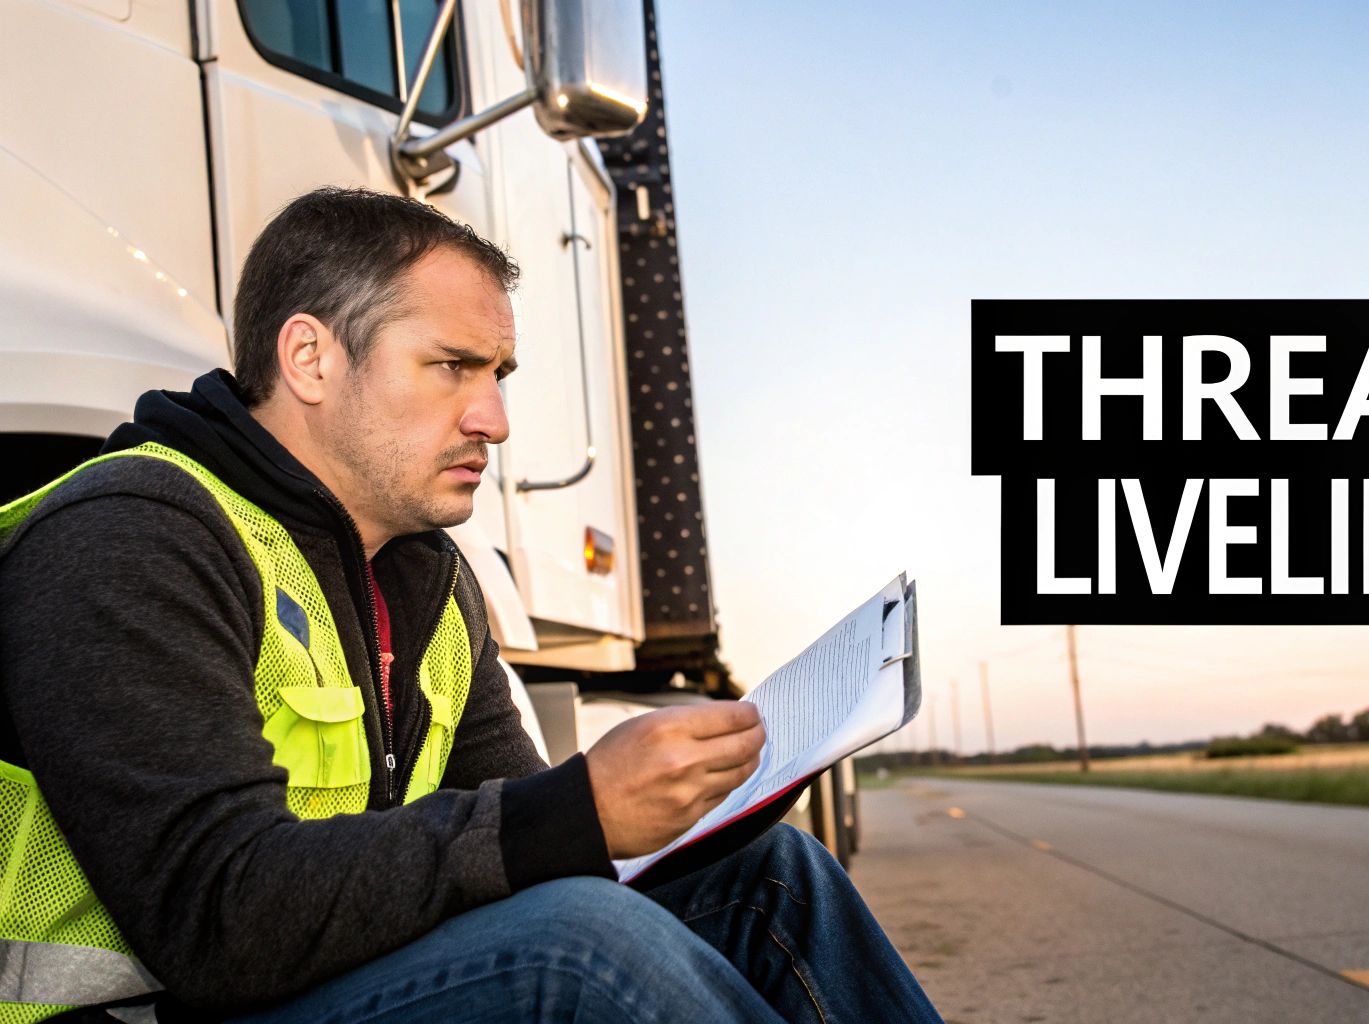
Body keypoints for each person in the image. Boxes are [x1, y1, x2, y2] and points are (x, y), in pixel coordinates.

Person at [0, 187, 942, 1023]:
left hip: (306, 974)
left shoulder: (430, 579)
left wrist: (701, 801)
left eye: (499, 376)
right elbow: (217, 919)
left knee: (775, 877)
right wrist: (573, 813)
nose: (494, 419)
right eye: (452, 366)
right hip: (160, 1006)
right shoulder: (133, 535)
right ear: (310, 358)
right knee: (578, 944)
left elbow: (507, 834)